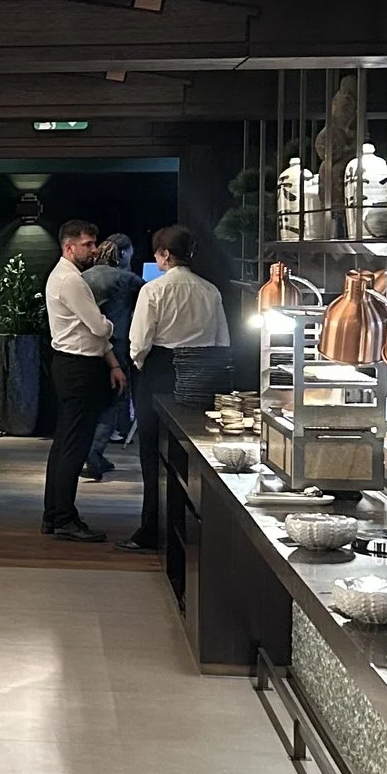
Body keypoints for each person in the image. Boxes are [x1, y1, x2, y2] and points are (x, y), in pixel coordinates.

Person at [120, 224, 231, 553]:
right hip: (203, 374)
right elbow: (222, 338)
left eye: (157, 253)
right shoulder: (210, 290)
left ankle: (151, 530)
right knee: (194, 453)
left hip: (161, 370)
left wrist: (140, 366)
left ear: (165, 255)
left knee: (153, 453)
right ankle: (195, 532)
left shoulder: (153, 290)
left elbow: (138, 342)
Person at [41, 220, 125, 542]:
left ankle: (56, 515)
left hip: (76, 365)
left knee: (67, 443)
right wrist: (109, 324)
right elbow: (100, 328)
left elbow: (96, 335)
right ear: (69, 246)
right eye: (88, 244)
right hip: (78, 368)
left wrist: (112, 362)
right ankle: (63, 518)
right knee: (73, 446)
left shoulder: (69, 278)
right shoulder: (70, 281)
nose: (94, 250)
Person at [82, 233, 138, 480]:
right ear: (124, 253)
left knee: (89, 403)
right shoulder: (128, 280)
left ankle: (88, 452)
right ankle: (94, 452)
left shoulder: (83, 277)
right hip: (117, 346)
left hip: (85, 348)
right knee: (112, 403)